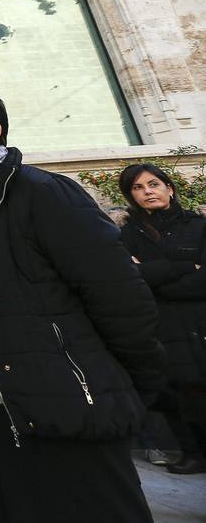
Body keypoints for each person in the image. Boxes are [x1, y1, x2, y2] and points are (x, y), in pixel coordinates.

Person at [0, 87, 165, 521]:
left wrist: (132, 382)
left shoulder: (41, 191)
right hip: (1, 399)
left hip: (70, 396)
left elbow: (117, 292)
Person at [118, 162, 206, 475]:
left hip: (199, 322)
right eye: (138, 188)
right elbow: (130, 279)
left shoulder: (198, 227)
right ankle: (193, 453)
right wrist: (184, 267)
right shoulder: (127, 236)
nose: (147, 192)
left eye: (153, 184)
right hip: (161, 325)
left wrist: (154, 273)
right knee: (176, 393)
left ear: (169, 188)